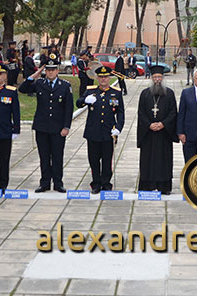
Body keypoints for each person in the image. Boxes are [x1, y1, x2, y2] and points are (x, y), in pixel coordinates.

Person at [20, 55, 73, 193]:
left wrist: (66, 126)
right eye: (48, 70)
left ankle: (58, 183)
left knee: (57, 156)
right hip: (42, 127)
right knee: (44, 156)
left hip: (58, 128)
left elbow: (68, 109)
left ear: (57, 70)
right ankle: (44, 183)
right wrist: (35, 74)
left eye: (53, 70)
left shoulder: (65, 86)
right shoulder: (39, 84)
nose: (50, 72)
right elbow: (23, 89)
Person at [78, 65, 124, 193]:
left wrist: (119, 128)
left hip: (109, 132)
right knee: (93, 160)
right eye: (101, 77)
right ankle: (96, 183)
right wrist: (85, 100)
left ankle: (106, 183)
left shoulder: (116, 93)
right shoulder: (90, 91)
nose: (103, 79)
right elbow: (78, 102)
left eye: (106, 77)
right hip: (93, 132)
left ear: (109, 78)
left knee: (107, 159)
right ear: (97, 78)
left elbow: (121, 113)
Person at [137, 65, 178, 194]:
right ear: (151, 78)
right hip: (148, 133)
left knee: (164, 160)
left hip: (164, 134)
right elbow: (141, 113)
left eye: (159, 77)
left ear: (163, 78)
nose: (157, 80)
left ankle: (164, 186)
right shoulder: (144, 94)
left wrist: (163, 124)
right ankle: (147, 186)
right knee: (147, 160)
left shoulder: (170, 93)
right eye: (155, 77)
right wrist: (149, 124)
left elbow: (173, 113)